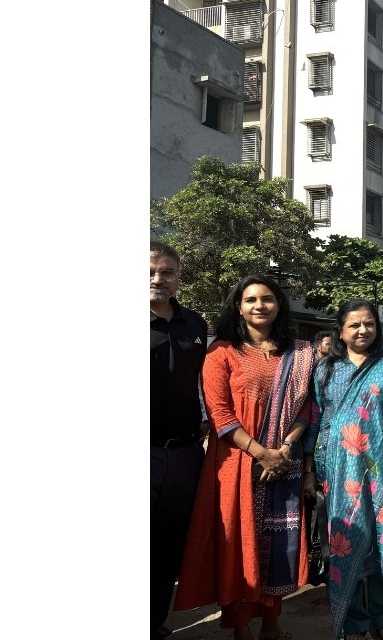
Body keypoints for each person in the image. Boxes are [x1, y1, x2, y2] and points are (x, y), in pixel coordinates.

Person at [175, 275, 316, 640]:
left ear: (279, 305)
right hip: (235, 463)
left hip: (284, 459)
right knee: (239, 542)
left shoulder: (299, 353)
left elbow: (307, 407)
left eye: (267, 298)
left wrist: (284, 449)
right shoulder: (222, 352)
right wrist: (261, 453)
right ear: (238, 306)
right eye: (250, 299)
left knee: (279, 544)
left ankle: (272, 622)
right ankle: (240, 626)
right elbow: (220, 414)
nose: (259, 305)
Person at [306, 299, 383, 640]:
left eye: (369, 324)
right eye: (354, 325)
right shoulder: (326, 370)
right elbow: (318, 421)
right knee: (349, 540)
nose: (363, 330)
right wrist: (309, 469)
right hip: (341, 471)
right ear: (341, 331)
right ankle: (355, 620)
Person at [150, 241, 209, 640]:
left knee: (170, 545)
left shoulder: (194, 324)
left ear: (179, 277)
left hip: (186, 452)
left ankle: (154, 623)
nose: (158, 279)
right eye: (151, 271)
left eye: (167, 272)